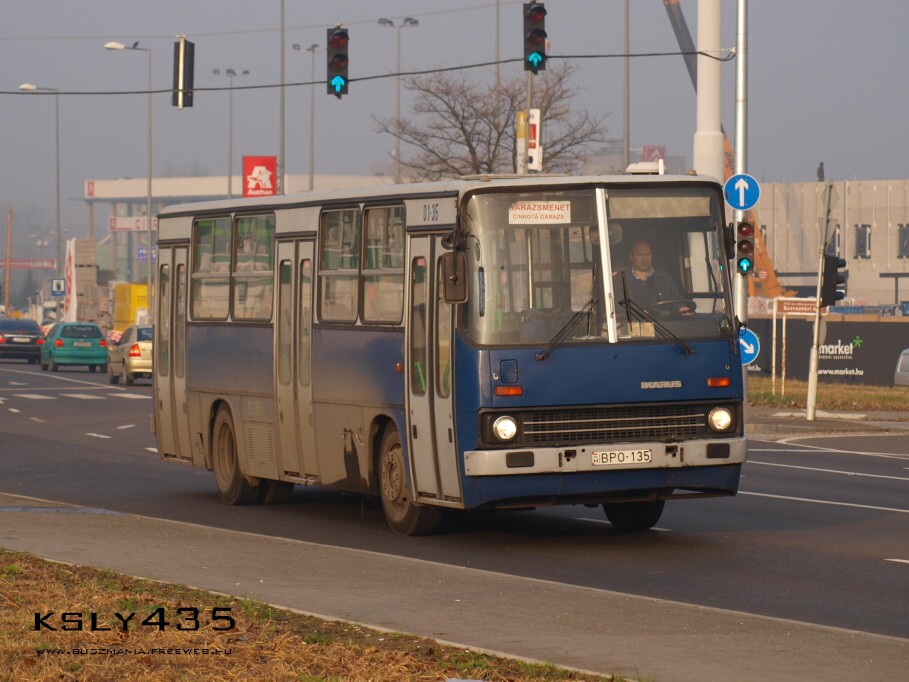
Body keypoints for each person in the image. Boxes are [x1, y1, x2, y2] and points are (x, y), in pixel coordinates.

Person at [613, 238, 695, 315]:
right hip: (633, 324)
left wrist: (681, 308)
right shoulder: (620, 280)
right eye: (640, 255)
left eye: (648, 254)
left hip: (662, 324)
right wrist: (637, 313)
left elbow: (675, 298)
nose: (645, 259)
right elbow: (617, 306)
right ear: (631, 257)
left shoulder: (663, 277)